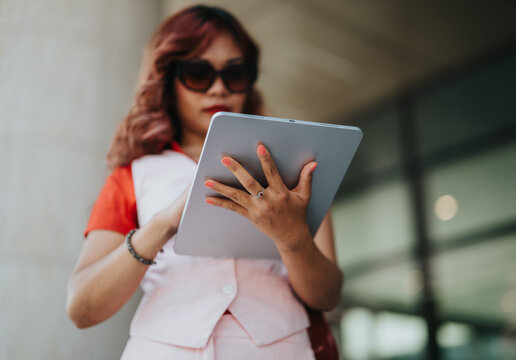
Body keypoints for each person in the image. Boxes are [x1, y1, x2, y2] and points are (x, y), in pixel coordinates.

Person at [66, 5, 342, 359]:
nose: (218, 88)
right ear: (167, 78)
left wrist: (293, 239)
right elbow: (82, 308)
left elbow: (328, 295)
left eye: (236, 74)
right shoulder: (131, 176)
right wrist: (165, 223)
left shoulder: (298, 164)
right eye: (198, 73)